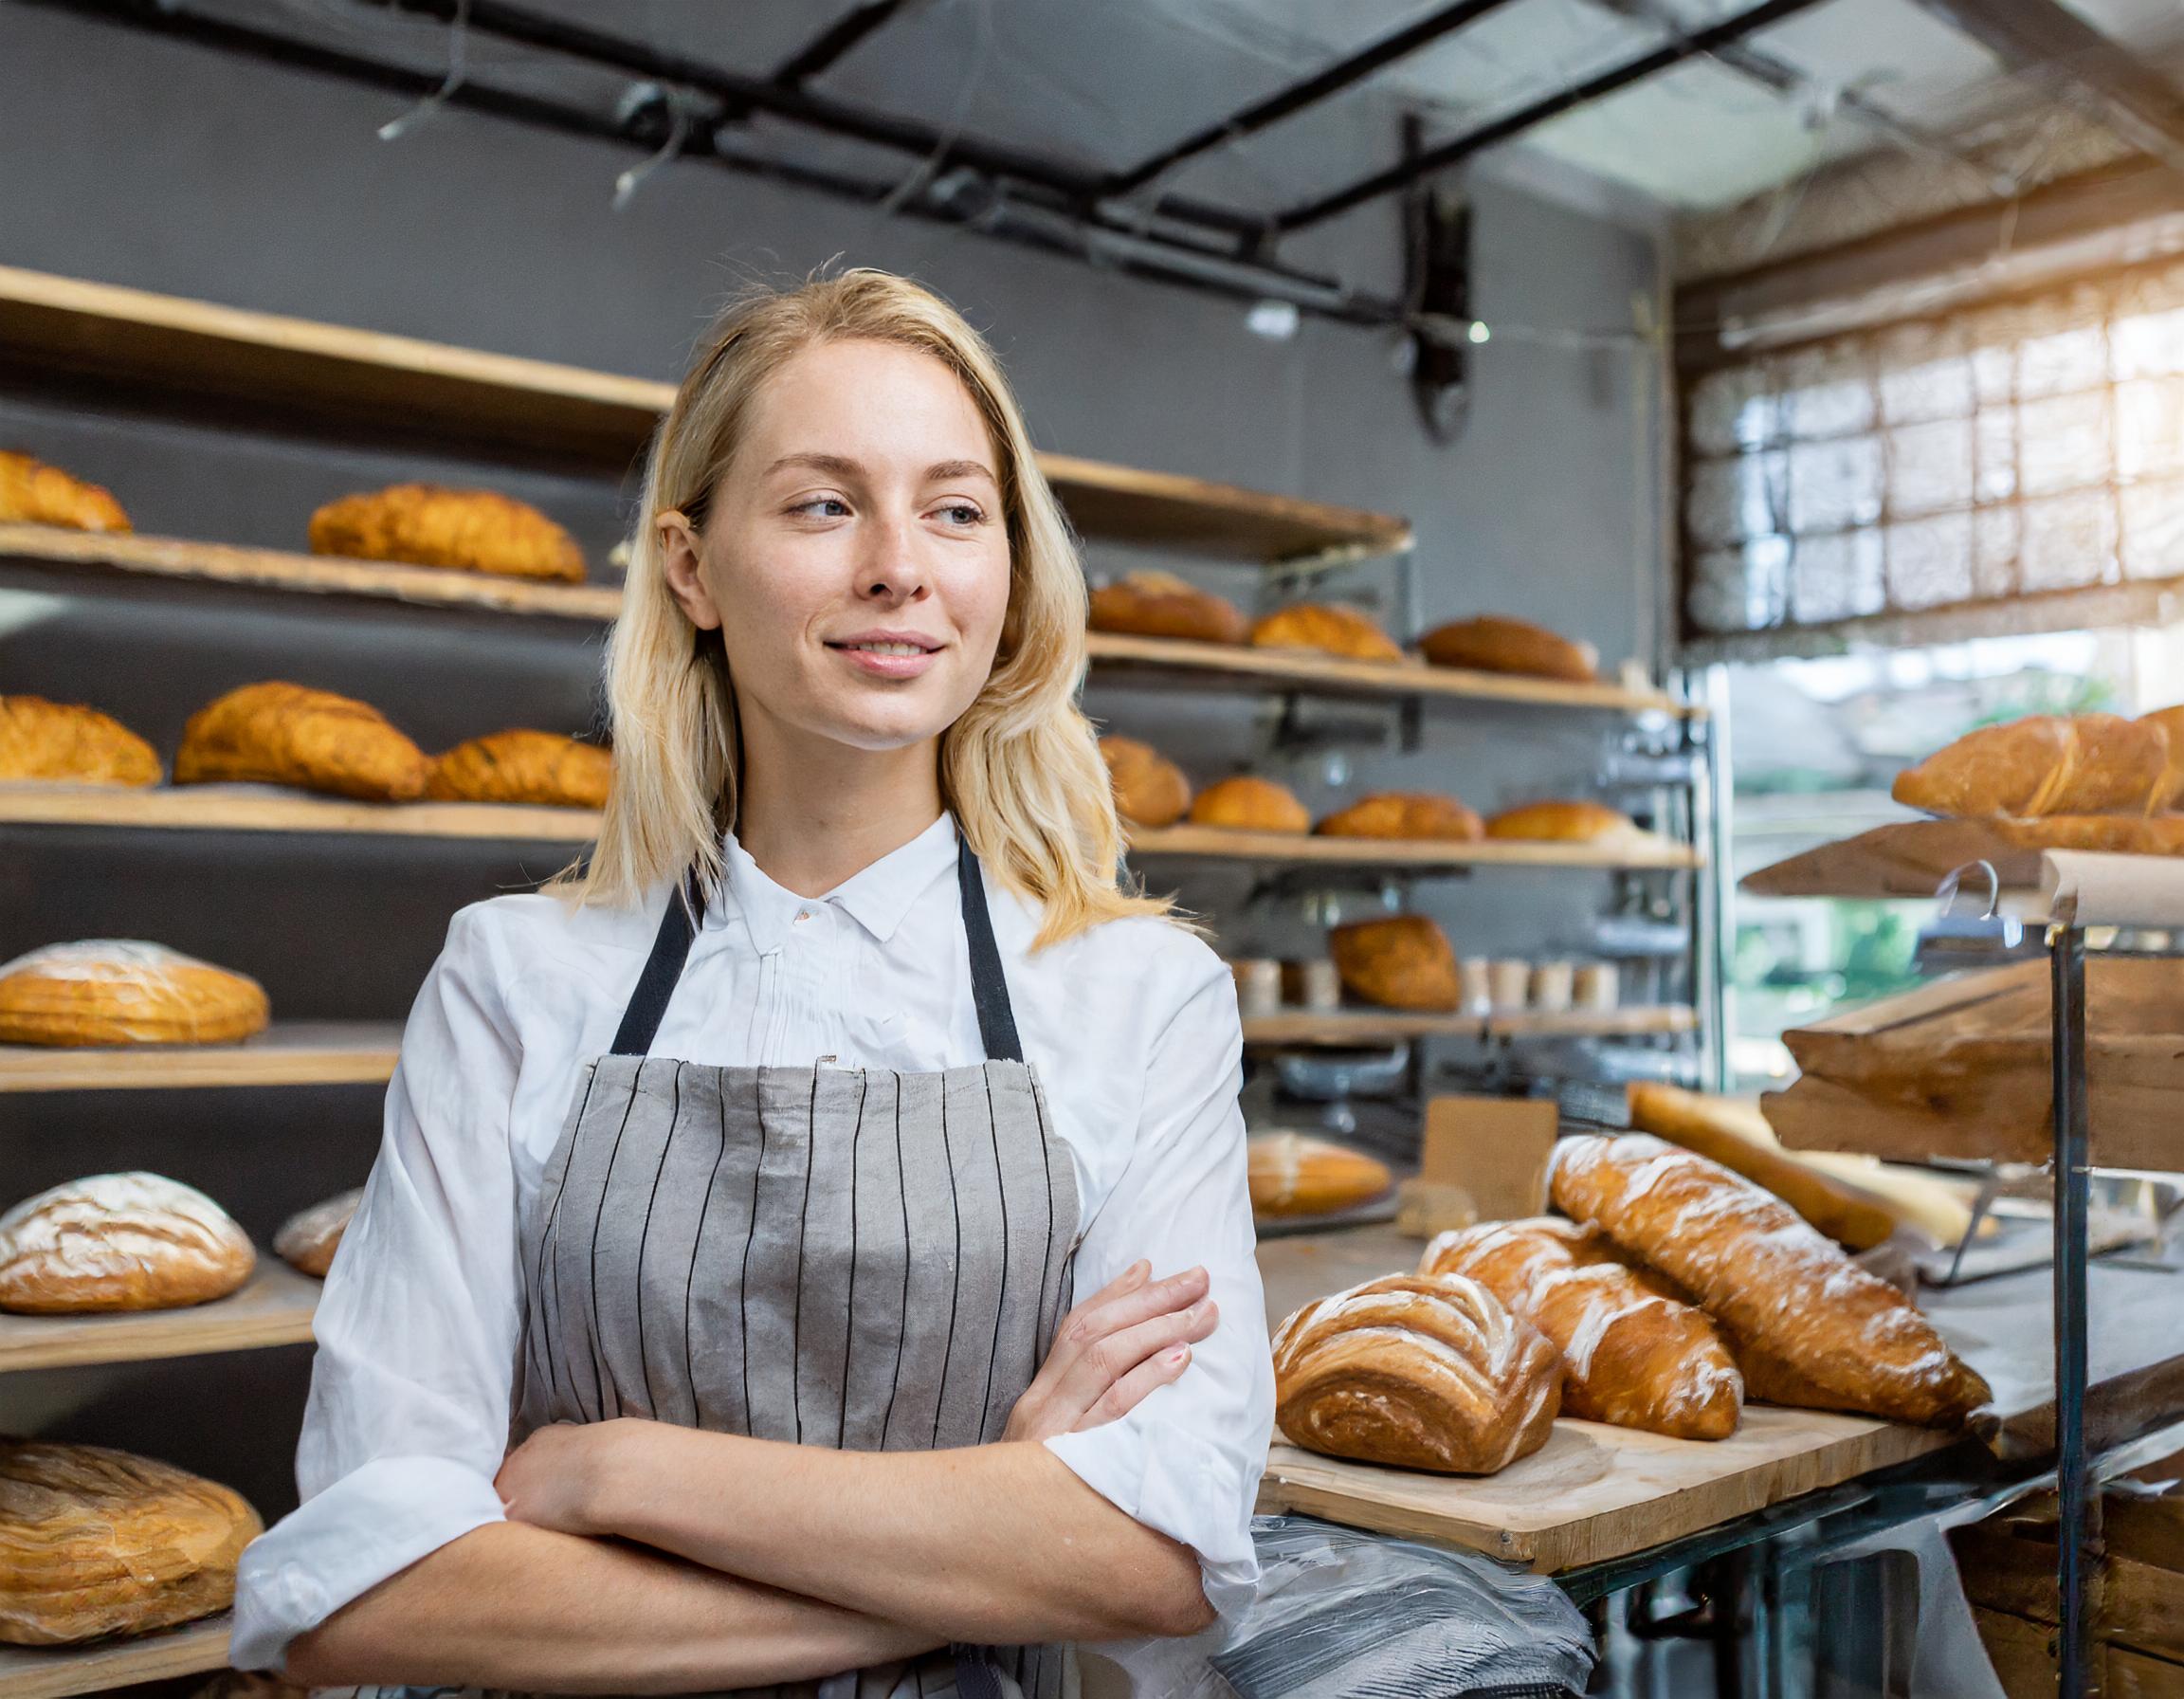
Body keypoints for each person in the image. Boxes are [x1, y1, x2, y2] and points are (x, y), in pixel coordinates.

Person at [229, 268, 1274, 1698]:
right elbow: (365, 1593)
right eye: (823, 505)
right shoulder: (516, 978)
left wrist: (618, 1469)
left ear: (1010, 575)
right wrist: (991, 1543)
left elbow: (1156, 1558)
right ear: (691, 567)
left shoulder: (1140, 995)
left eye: (957, 511)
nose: (900, 567)